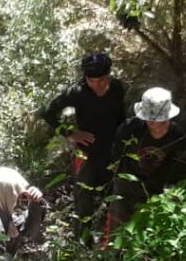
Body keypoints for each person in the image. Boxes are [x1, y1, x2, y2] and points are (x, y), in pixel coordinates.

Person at [39, 53, 126, 243]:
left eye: (101, 80)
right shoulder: (77, 92)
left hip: (112, 153)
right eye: (91, 81)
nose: (96, 85)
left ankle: (112, 244)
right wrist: (70, 133)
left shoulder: (117, 89)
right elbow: (47, 112)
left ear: (108, 76)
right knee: (83, 200)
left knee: (114, 198)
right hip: (87, 153)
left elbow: (122, 118)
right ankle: (83, 245)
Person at [107, 87, 186, 234]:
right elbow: (117, 155)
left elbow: (178, 169)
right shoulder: (129, 128)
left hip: (157, 189)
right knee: (119, 227)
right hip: (127, 186)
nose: (151, 121)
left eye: (156, 119)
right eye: (148, 117)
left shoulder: (177, 136)